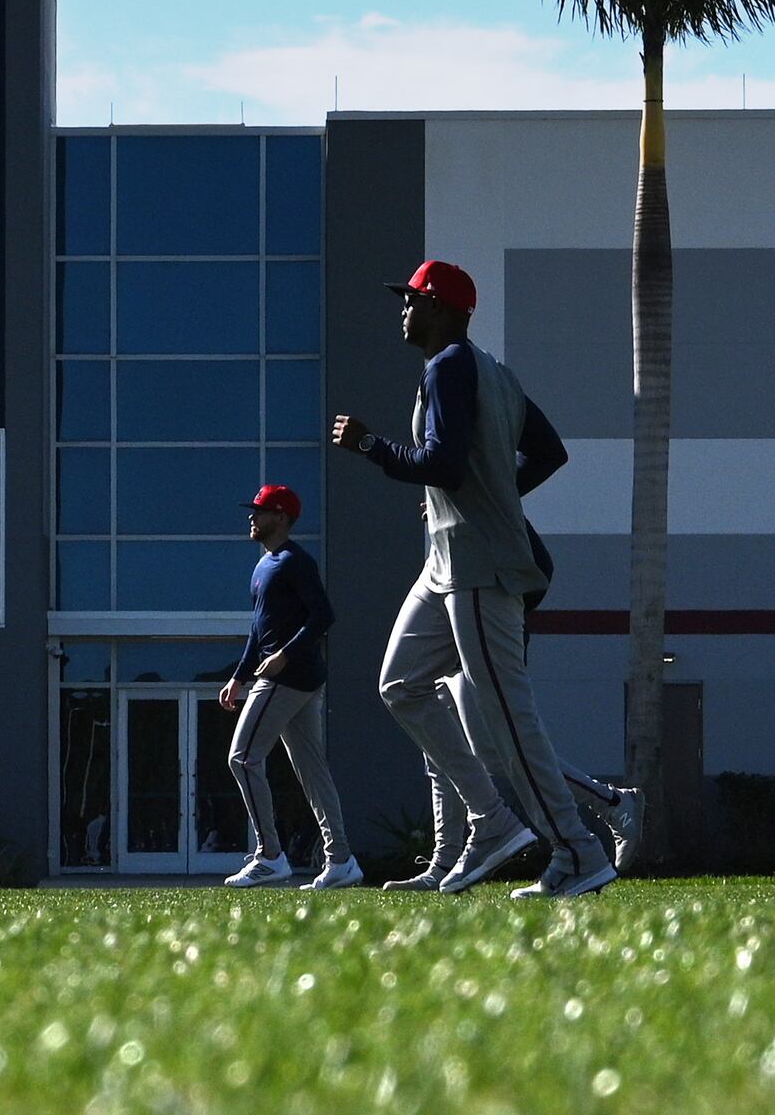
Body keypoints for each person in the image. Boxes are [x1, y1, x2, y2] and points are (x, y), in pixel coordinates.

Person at [332, 258, 615, 898]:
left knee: (511, 722)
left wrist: (371, 447)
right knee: (400, 685)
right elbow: (548, 452)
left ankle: (579, 851)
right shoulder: (494, 372)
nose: (404, 309)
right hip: (447, 564)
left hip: (481, 567)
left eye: (413, 299)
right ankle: (490, 823)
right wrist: (499, 494)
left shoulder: (450, 366)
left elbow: (443, 464)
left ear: (443, 309)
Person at [219, 484, 357, 888]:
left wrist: (285, 656)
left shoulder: (296, 561)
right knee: (314, 771)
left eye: (260, 511)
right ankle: (342, 861)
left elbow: (323, 616)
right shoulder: (264, 565)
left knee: (242, 759)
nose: (252, 517)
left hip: (287, 677)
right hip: (291, 678)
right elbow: (257, 631)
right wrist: (238, 676)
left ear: (280, 518)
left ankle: (270, 856)